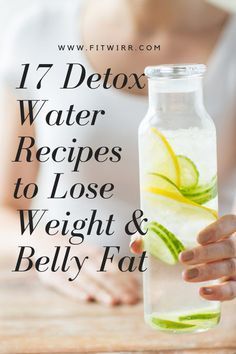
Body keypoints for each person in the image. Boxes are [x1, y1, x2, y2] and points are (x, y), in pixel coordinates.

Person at [0, 0, 236, 305]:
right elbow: (6, 209)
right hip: (66, 304)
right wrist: (45, 248)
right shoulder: (37, 33)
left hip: (193, 301)